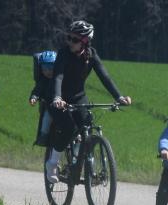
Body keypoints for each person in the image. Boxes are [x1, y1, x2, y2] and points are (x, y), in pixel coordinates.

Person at [45, 20, 132, 185]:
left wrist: (118, 97)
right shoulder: (64, 54)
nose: (70, 42)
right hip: (58, 98)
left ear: (85, 41)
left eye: (75, 39)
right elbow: (58, 76)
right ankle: (53, 162)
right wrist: (57, 97)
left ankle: (79, 160)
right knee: (68, 127)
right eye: (69, 37)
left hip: (78, 96)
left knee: (87, 123)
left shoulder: (91, 55)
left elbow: (104, 76)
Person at [29, 50, 57, 146]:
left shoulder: (59, 79)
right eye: (44, 68)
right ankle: (43, 136)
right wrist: (33, 97)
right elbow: (37, 91)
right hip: (49, 106)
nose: (48, 71)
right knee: (47, 117)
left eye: (51, 67)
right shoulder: (43, 81)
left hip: (61, 105)